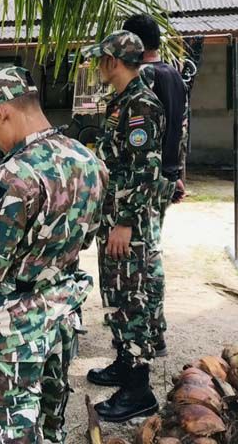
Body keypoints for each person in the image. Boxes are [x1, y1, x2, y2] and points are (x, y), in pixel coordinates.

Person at [0, 66, 107, 443]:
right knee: (51, 420)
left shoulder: (13, 174)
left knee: (13, 428)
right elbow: (84, 236)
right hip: (61, 315)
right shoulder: (89, 161)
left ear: (2, 110)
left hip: (14, 331)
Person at [82, 31, 165, 423]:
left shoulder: (140, 105)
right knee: (117, 295)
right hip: (114, 218)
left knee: (132, 301)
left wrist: (126, 222)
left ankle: (138, 392)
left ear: (113, 61)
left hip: (126, 224)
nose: (98, 66)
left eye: (101, 59)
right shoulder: (123, 101)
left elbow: (145, 169)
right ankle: (123, 363)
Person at [122, 13, 183, 357]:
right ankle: (152, 327)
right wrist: (177, 171)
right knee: (151, 248)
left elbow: (145, 141)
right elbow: (179, 127)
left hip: (147, 180)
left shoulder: (143, 77)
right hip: (166, 175)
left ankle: (149, 330)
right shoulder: (173, 74)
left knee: (142, 256)